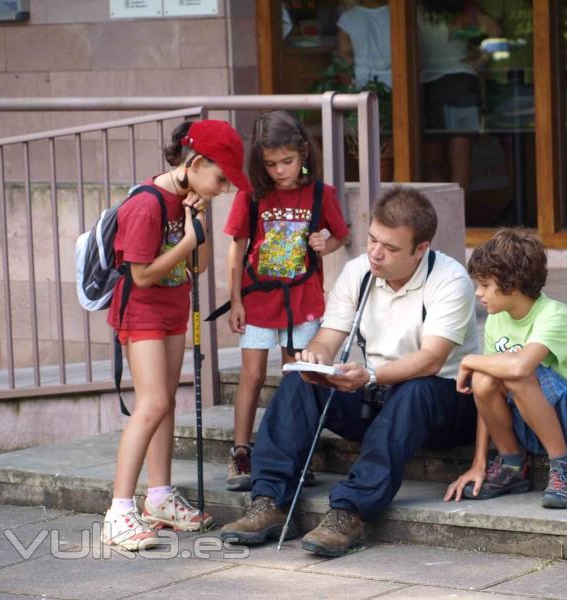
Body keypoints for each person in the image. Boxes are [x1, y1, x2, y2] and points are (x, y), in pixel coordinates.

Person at [220, 186, 479, 557]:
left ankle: (350, 511)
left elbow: (431, 360)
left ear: (420, 250)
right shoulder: (360, 271)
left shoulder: (450, 280)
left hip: (444, 403)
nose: (376, 252)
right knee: (301, 381)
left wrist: (369, 376)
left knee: (416, 389)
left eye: (389, 248)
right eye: (372, 239)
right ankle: (270, 501)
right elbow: (329, 336)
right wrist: (316, 358)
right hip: (376, 394)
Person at [101, 120, 252, 551]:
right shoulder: (147, 205)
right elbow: (142, 275)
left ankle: (160, 497)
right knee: (151, 404)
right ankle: (119, 511)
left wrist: (198, 224)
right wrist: (188, 240)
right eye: (221, 178)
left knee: (166, 402)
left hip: (171, 312)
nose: (223, 189)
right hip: (142, 312)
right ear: (197, 162)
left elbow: (199, 265)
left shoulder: (189, 200)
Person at [223, 110, 349, 492]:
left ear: (304, 154)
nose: (280, 171)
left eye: (288, 162)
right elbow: (237, 247)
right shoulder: (251, 194)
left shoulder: (319, 194)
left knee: (300, 377)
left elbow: (340, 236)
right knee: (251, 376)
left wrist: (323, 244)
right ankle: (242, 452)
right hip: (258, 300)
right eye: (271, 164)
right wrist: (234, 300)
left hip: (303, 300)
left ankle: (297, 451)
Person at [445, 229, 567, 508]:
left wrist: (468, 360)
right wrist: (478, 463)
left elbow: (520, 366)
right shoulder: (498, 319)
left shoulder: (554, 315)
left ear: (511, 285)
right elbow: (487, 395)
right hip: (531, 425)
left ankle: (564, 469)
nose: (478, 292)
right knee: (486, 378)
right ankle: (511, 466)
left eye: (485, 285)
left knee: (515, 371)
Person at [418, 0, 500, 195]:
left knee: (431, 163)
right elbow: (495, 31)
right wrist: (479, 62)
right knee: (461, 161)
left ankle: (441, 219)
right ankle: (458, 219)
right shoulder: (463, 9)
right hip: (462, 81)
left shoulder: (412, 10)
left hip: (431, 84)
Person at [336, 0, 392, 89]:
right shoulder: (399, 15)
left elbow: (345, 56)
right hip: (396, 84)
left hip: (362, 84)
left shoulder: (348, 17)